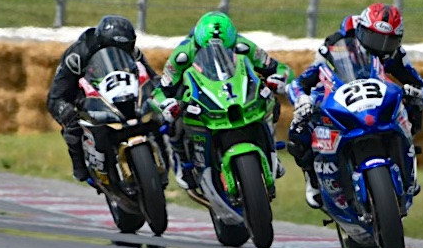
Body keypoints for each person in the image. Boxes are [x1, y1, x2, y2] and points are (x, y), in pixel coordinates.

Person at [286, 2, 423, 208]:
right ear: (361, 31)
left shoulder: (394, 55)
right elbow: (299, 83)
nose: (381, 47)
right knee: (299, 126)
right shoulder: (334, 46)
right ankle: (312, 179)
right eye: (375, 39)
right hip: (341, 100)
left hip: (378, 105)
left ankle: (406, 164)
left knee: (413, 106)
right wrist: (302, 101)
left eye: (389, 42)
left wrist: (419, 94)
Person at [151, 11, 293, 189]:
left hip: (234, 90)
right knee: (174, 120)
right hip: (197, 95)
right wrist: (166, 104)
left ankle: (270, 149)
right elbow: (159, 92)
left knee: (270, 101)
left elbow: (279, 68)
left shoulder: (244, 46)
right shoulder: (183, 55)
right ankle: (182, 163)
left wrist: (278, 78)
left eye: (227, 49)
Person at [47, 15, 156, 183]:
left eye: (124, 48)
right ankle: (80, 166)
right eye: (113, 48)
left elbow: (152, 78)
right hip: (87, 96)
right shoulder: (76, 56)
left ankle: (165, 155)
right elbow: (56, 95)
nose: (119, 53)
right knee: (72, 124)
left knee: (160, 114)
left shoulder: (134, 53)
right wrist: (65, 110)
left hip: (125, 93)